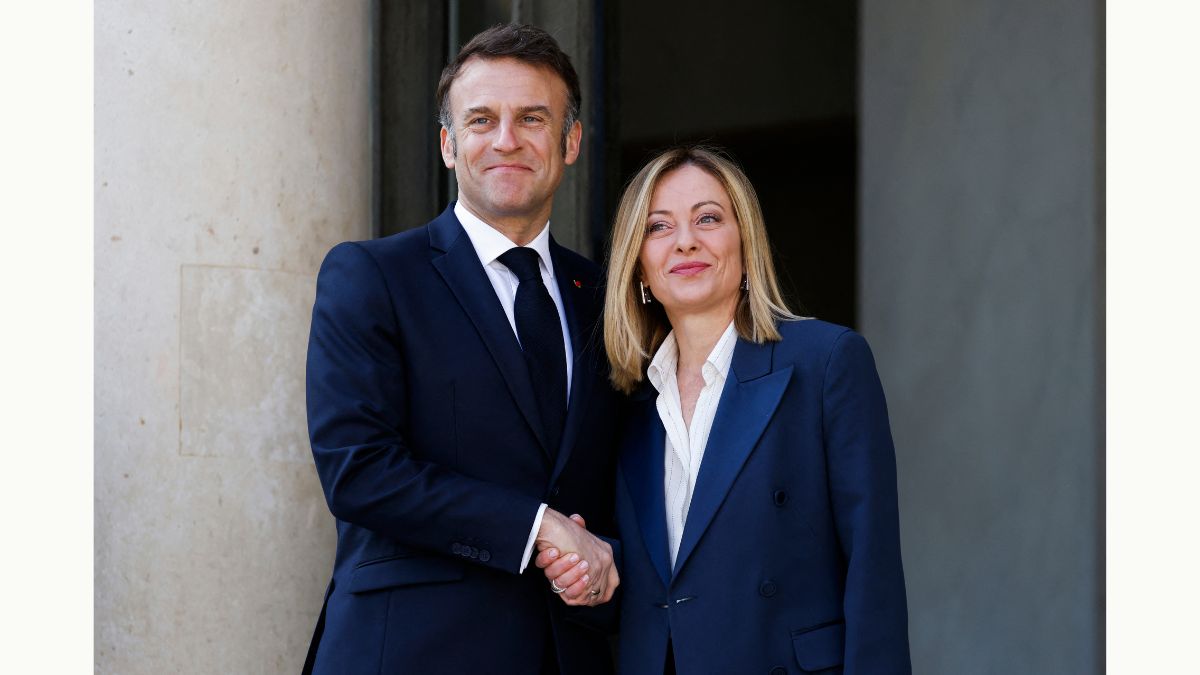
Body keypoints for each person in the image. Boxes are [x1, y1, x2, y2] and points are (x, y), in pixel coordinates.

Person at [303, 24, 621, 675]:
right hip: (410, 653)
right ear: (449, 145)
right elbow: (359, 469)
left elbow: (623, 478)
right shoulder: (373, 276)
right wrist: (537, 527)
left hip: (568, 654)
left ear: (571, 142)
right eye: (481, 120)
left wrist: (603, 557)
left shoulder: (604, 300)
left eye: (532, 118)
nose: (506, 139)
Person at [538, 146, 911, 673]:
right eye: (658, 227)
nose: (685, 240)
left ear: (744, 242)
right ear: (639, 266)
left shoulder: (826, 361)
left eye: (708, 218)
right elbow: (660, 588)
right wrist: (591, 575)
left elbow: (873, 570)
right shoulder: (630, 403)